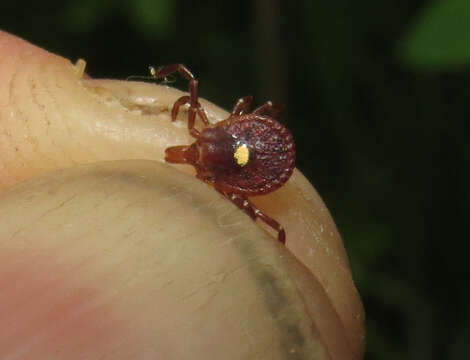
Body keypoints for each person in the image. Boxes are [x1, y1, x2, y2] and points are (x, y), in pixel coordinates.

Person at [0, 30, 365, 359]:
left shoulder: (210, 148)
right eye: (196, 148)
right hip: (259, 154)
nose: (187, 154)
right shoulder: (217, 155)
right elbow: (252, 105)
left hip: (254, 153)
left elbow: (200, 90)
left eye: (195, 154)